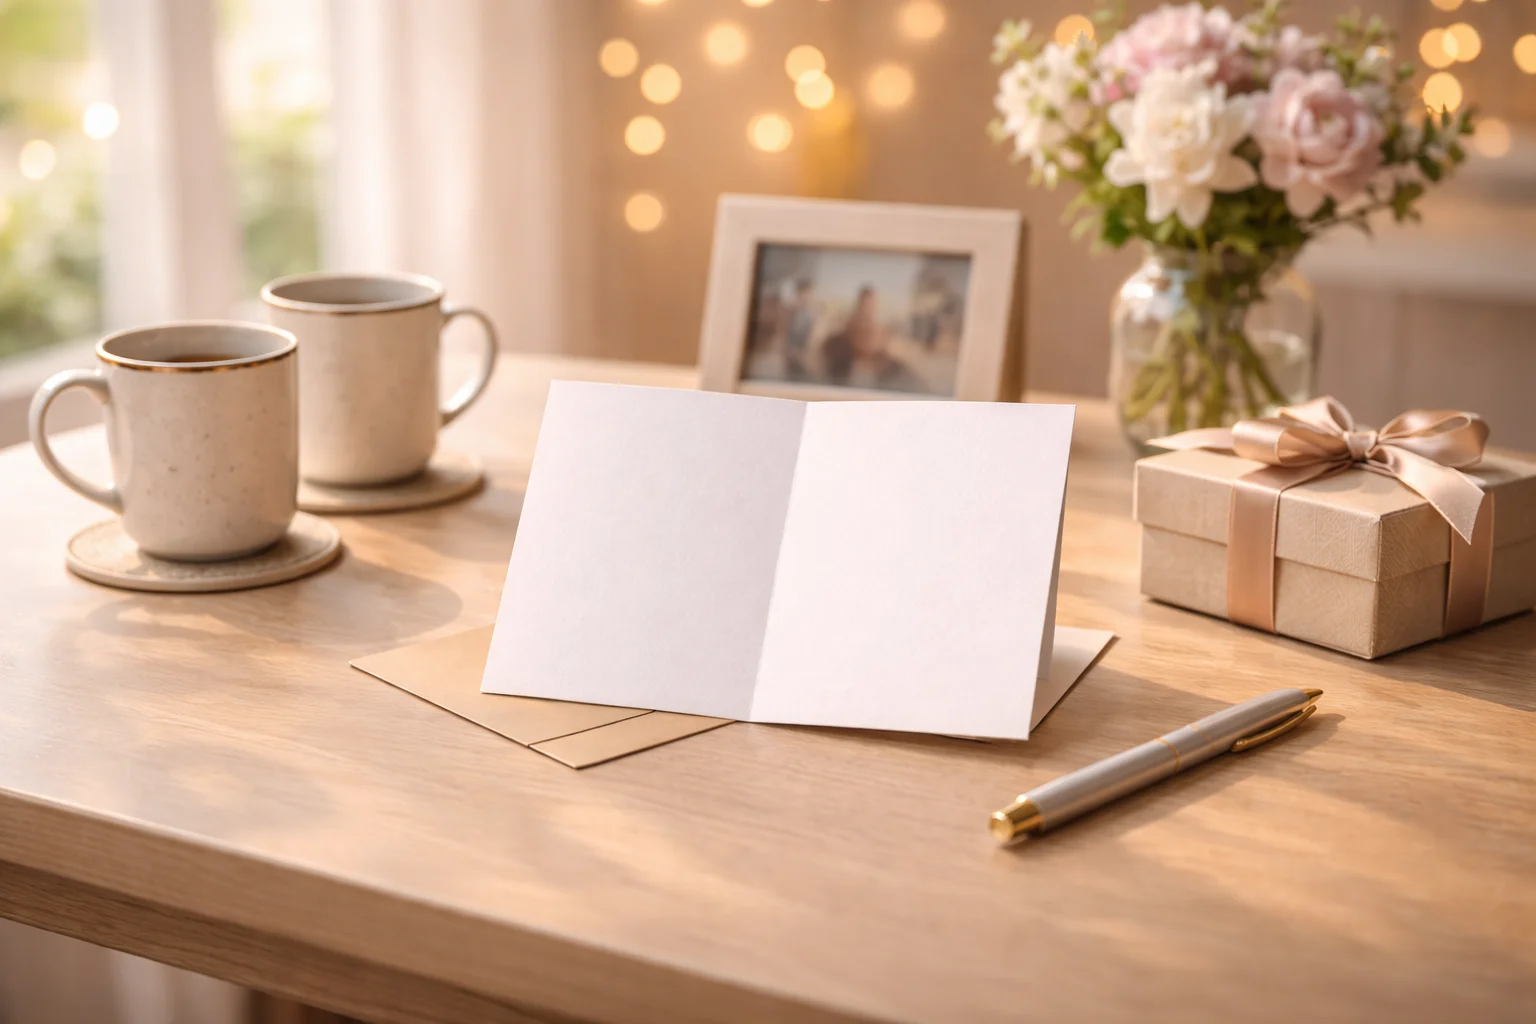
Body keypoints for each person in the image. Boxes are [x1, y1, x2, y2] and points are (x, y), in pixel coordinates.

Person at [820, 286, 925, 393]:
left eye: (870, 332)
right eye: (861, 331)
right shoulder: (838, 359)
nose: (865, 336)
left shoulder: (896, 370)